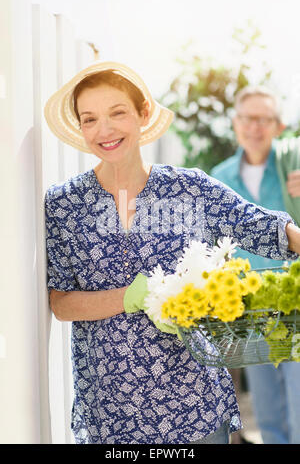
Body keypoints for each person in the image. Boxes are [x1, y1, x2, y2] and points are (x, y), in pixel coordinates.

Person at [44, 63, 300, 445]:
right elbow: (61, 302)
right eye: (90, 119)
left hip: (195, 406)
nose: (105, 130)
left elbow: (267, 228)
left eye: (118, 113)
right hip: (112, 413)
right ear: (81, 128)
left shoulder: (189, 189)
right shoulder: (64, 204)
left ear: (143, 113)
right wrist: (130, 297)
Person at [211, 85, 300, 444]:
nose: (255, 127)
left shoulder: (294, 166)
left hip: (296, 305)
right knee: (266, 409)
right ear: (235, 123)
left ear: (279, 126)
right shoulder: (219, 178)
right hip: (251, 312)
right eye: (248, 118)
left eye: (265, 119)